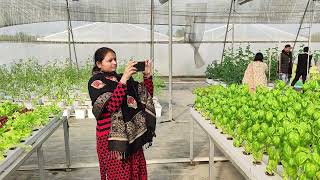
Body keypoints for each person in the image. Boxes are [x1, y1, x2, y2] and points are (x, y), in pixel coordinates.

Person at [88, 47, 156, 180]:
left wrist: (147, 75)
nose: (114, 63)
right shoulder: (96, 82)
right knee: (119, 175)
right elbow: (113, 105)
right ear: (99, 64)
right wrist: (124, 79)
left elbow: (146, 96)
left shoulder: (122, 79)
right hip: (111, 141)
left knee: (135, 172)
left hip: (131, 135)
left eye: (115, 59)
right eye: (110, 60)